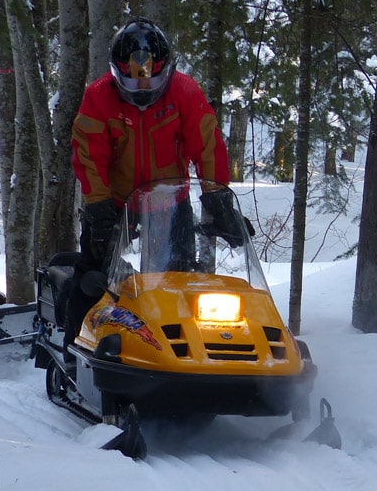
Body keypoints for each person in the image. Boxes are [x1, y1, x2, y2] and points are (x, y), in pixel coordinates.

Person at [62, 18, 244, 354]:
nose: (142, 90)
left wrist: (218, 200)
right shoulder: (99, 97)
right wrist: (98, 206)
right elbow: (88, 154)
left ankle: (183, 353)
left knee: (177, 281)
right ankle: (74, 348)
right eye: (131, 81)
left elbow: (207, 145)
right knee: (94, 275)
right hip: (114, 201)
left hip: (169, 199)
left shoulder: (185, 92)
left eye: (151, 80)